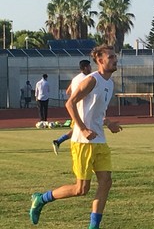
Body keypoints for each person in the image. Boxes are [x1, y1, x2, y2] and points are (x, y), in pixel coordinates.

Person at [29, 44, 123, 229]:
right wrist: (83, 128)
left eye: (115, 56)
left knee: (106, 182)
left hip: (100, 141)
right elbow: (70, 103)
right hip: (83, 141)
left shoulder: (109, 83)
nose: (115, 59)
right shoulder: (91, 80)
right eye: (111, 57)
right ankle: (41, 199)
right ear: (100, 60)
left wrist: (108, 123)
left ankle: (93, 226)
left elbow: (95, 111)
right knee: (81, 189)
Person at [52, 59, 92, 155]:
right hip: (81, 109)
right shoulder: (87, 79)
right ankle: (59, 141)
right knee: (82, 130)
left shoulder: (75, 78)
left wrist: (74, 99)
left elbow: (68, 91)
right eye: (90, 66)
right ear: (86, 67)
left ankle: (58, 141)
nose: (91, 68)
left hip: (76, 108)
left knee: (77, 130)